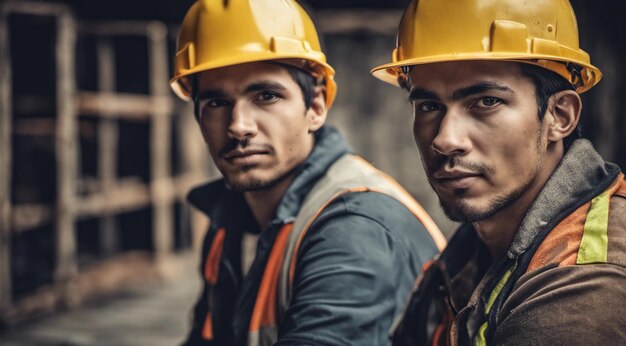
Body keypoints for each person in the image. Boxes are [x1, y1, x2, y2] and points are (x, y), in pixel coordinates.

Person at [170, 1, 446, 345]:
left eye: (266, 96)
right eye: (216, 103)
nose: (238, 126)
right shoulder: (230, 217)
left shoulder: (355, 227)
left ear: (315, 107)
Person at [371, 0, 626, 344]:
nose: (445, 140)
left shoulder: (585, 283)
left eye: (487, 102)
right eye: (429, 106)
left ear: (560, 116)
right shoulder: (473, 247)